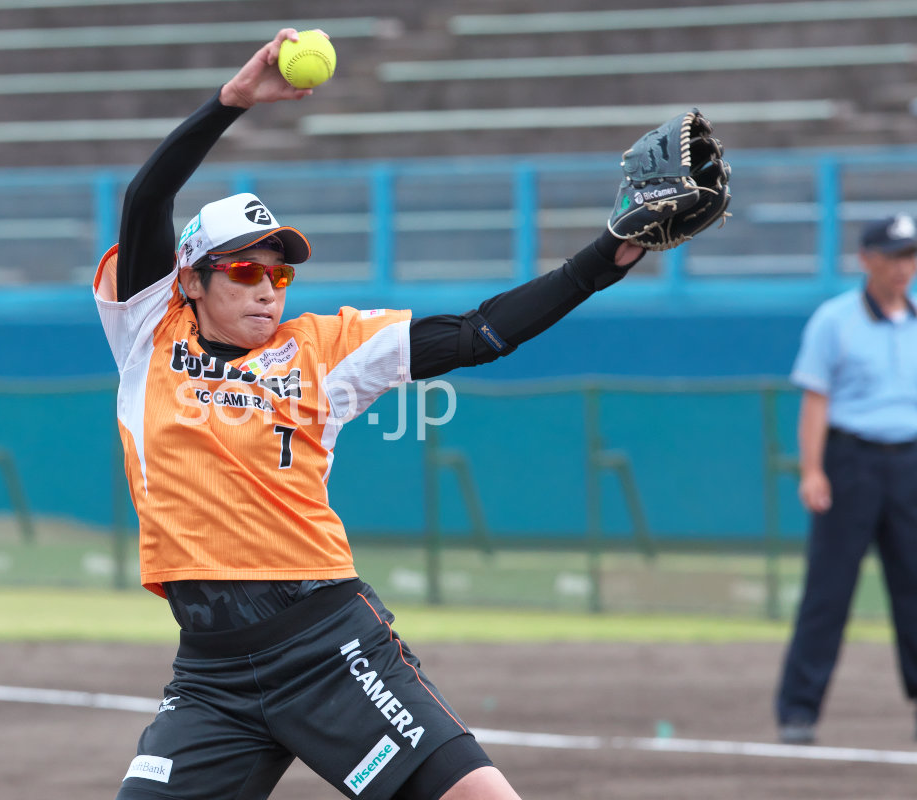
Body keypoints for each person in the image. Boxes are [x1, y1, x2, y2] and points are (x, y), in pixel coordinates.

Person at [95, 30, 646, 800]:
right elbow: (146, 198)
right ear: (190, 279)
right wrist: (232, 102)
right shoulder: (149, 333)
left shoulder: (323, 349)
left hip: (325, 644)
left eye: (279, 273)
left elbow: (478, 334)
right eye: (246, 269)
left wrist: (604, 259)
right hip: (212, 674)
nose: (267, 288)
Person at [775, 213, 917, 745]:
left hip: (910, 465)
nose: (904, 267)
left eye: (910, 256)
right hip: (850, 463)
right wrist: (812, 470)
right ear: (867, 259)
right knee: (828, 592)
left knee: (915, 591)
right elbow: (816, 400)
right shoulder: (835, 320)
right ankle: (798, 710)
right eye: (894, 256)